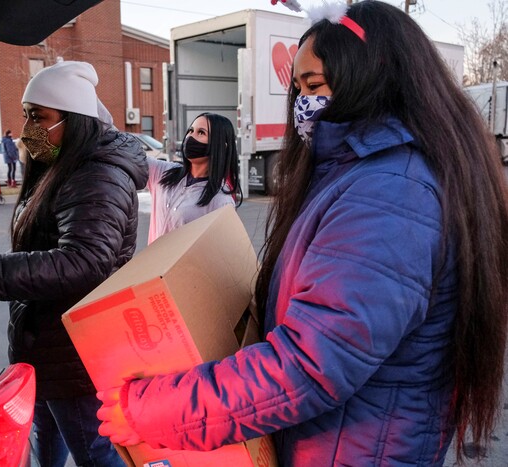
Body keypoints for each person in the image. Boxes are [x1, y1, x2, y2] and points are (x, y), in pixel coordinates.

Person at [96, 2, 508, 465]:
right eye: (297, 88)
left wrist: (148, 411)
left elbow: (310, 365)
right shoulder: (363, 174)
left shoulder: (390, 193)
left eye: (314, 85)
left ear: (372, 77)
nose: (302, 102)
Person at [0, 60, 148, 467]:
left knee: (94, 452)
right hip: (48, 344)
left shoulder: (97, 175)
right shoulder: (59, 167)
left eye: (38, 116)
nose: (27, 127)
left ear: (74, 119)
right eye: (26, 114)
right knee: (46, 439)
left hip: (76, 350)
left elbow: (84, 261)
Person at [146, 112, 241, 244]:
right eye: (191, 130)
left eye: (201, 132)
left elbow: (223, 253)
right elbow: (126, 154)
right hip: (153, 264)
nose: (190, 137)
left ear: (219, 145)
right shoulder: (164, 172)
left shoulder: (221, 201)